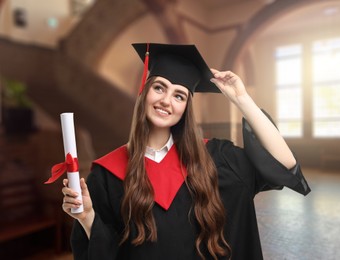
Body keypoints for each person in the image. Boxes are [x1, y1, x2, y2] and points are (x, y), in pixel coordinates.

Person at [61, 43, 311, 260]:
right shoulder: (107, 174)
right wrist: (86, 216)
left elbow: (284, 163)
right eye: (159, 87)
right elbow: (105, 249)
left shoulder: (215, 158)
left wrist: (241, 98)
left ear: (186, 108)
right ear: (144, 91)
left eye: (179, 95)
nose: (166, 101)